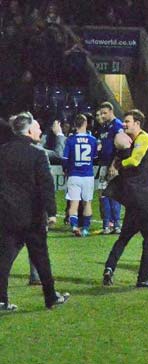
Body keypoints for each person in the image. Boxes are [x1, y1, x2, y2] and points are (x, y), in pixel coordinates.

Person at [0, 112, 69, 311]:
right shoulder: (37, 153)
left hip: (6, 215)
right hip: (31, 217)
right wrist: (52, 212)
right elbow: (46, 185)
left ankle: (2, 299)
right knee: (41, 257)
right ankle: (50, 296)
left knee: (4, 258)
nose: (40, 130)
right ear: (30, 130)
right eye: (37, 127)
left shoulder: (2, 151)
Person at [102, 110, 148, 288]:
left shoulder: (124, 155)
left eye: (127, 122)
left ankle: (109, 268)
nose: (124, 125)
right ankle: (143, 278)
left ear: (137, 124)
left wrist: (117, 165)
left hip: (134, 205)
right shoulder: (141, 151)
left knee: (123, 238)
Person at [62, 114, 98, 237]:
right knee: (87, 203)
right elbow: (94, 157)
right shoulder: (92, 140)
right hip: (88, 175)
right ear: (85, 123)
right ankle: (86, 229)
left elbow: (65, 158)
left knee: (74, 203)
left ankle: (74, 226)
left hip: (74, 175)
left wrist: (65, 169)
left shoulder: (70, 140)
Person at [97, 102, 124, 234]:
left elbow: (120, 147)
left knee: (114, 195)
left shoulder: (117, 125)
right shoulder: (104, 127)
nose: (102, 115)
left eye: (105, 113)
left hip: (113, 165)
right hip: (103, 164)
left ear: (111, 111)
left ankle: (117, 224)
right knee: (103, 195)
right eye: (101, 113)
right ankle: (107, 224)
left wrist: (114, 164)